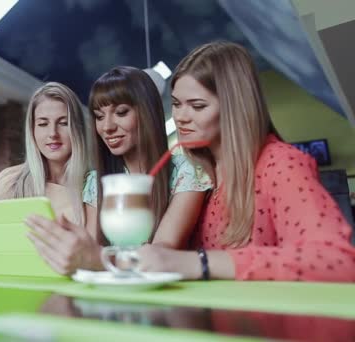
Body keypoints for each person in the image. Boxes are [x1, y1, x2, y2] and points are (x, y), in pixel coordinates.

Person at [136, 41, 355, 281]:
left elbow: (336, 261)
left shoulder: (281, 164)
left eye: (197, 106)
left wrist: (198, 262)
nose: (180, 117)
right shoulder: (202, 177)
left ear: (234, 108)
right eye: (176, 104)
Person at [25, 66, 212, 275]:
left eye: (121, 112)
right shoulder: (96, 183)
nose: (107, 127)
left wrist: (95, 257)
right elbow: (89, 250)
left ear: (147, 112)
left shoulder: (187, 171)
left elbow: (161, 254)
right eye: (98, 116)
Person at [0, 82, 96, 235]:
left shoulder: (93, 187)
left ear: (78, 129)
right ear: (32, 130)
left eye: (64, 123)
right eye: (43, 124)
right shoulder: (9, 181)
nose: (53, 133)